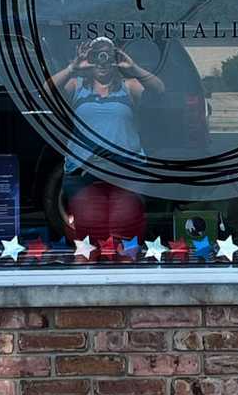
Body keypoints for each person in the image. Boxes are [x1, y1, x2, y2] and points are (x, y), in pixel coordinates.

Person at [49, 36, 161, 241]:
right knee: (91, 233)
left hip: (126, 170)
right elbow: (46, 91)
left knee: (124, 232)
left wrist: (132, 67)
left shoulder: (128, 86)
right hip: (85, 170)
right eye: (96, 55)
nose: (101, 61)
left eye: (107, 55)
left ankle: (123, 268)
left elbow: (159, 90)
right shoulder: (77, 86)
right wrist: (72, 68)